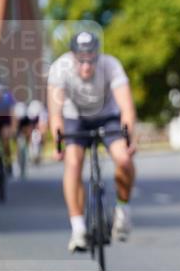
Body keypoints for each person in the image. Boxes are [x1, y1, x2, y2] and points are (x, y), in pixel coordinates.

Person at [48, 31, 138, 252]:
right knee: (73, 163)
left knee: (124, 159)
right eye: (81, 60)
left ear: (98, 54)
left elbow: (126, 106)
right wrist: (58, 142)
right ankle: (78, 228)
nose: (86, 67)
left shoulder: (111, 65)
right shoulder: (60, 69)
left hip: (106, 116)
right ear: (72, 56)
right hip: (74, 118)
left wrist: (130, 135)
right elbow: (55, 113)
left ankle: (122, 210)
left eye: (91, 60)